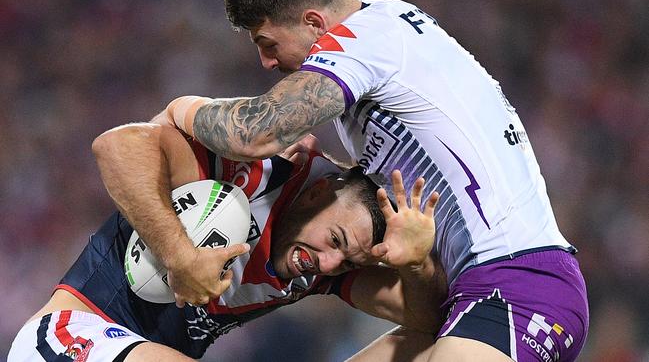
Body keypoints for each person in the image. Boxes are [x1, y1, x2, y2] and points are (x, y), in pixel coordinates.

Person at [159, 0, 590, 361]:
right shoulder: (388, 38)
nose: (267, 61)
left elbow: (258, 131)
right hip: (473, 293)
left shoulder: (365, 38)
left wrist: (179, 111)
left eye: (268, 43)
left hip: (518, 285)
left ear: (314, 23)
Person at [8, 120, 442, 361]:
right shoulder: (252, 172)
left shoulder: (320, 265)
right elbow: (116, 145)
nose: (329, 264)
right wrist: (179, 255)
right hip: (66, 336)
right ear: (316, 193)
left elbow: (425, 322)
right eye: (335, 240)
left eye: (347, 262)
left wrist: (417, 264)